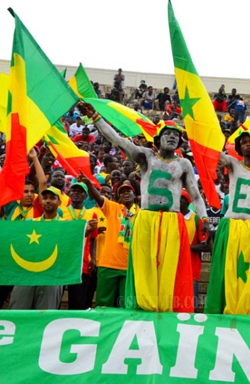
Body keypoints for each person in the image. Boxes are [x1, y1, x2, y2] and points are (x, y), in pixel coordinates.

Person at [83, 103, 211, 313]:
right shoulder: (146, 157)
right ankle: (144, 307)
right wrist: (96, 118)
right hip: (146, 219)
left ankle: (167, 308)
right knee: (144, 265)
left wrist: (205, 219)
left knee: (170, 267)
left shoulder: (184, 164)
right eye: (167, 133)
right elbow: (118, 141)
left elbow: (195, 195)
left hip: (172, 220)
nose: (172, 137)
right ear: (158, 138)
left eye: (176, 135)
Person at [205, 128, 250, 315]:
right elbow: (213, 152)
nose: (248, 144)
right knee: (226, 273)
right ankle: (222, 315)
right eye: (244, 142)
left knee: (248, 275)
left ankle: (247, 314)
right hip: (230, 226)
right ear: (238, 146)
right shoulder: (232, 164)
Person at [78, 174, 138, 308]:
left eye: (129, 191)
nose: (126, 193)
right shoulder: (112, 208)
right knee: (104, 304)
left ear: (135, 195)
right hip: (108, 265)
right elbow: (98, 197)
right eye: (122, 192)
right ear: (118, 197)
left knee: (126, 305)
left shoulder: (141, 213)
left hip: (130, 267)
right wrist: (88, 183)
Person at [9, 187, 70, 310]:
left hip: (52, 275)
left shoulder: (67, 225)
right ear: (41, 202)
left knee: (45, 315)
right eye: (45, 198)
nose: (48, 201)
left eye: (52, 198)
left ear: (59, 202)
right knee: (18, 311)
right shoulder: (29, 223)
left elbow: (73, 245)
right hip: (27, 273)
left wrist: (86, 231)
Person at [63, 182, 105, 310]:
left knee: (79, 300)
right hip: (64, 261)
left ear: (85, 195)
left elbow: (93, 239)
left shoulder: (91, 214)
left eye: (80, 192)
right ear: (69, 193)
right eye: (74, 191)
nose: (76, 193)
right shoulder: (61, 212)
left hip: (83, 263)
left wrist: (93, 258)